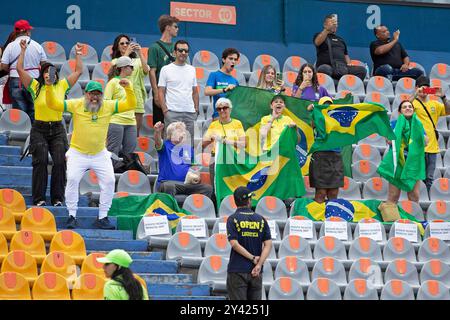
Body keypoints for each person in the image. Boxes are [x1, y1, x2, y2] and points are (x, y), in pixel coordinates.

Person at [45, 80, 137, 229]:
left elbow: (130, 104)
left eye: (98, 94)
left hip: (99, 153)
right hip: (78, 152)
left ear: (101, 95)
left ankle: (103, 217)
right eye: (91, 94)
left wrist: (129, 89)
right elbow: (53, 104)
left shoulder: (108, 105)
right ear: (85, 94)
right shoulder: (77, 104)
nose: (94, 97)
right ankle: (71, 215)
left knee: (109, 181)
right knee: (73, 179)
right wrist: (48, 87)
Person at [17, 39, 83, 206]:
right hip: (39, 129)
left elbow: (79, 71)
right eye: (45, 72)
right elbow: (19, 69)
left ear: (56, 74)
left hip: (58, 129)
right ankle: (39, 198)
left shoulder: (62, 86)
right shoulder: (35, 86)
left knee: (60, 161)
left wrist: (78, 54)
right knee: (41, 161)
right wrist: (23, 51)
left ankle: (57, 198)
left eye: (51, 72)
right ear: (43, 74)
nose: (48, 74)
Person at [226, 186, 272, 300]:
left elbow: (234, 244)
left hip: (237, 270)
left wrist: (252, 258)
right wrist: (259, 264)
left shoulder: (232, 219)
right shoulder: (261, 219)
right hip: (256, 272)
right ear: (248, 201)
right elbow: (268, 245)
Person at [378, 100, 426, 205]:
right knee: (393, 195)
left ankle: (413, 219)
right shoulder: (394, 123)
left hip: (412, 163)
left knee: (414, 196)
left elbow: (425, 142)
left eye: (410, 106)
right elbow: (389, 140)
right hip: (397, 162)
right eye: (404, 107)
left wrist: (416, 135)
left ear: (413, 110)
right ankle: (391, 219)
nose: (408, 108)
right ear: (400, 112)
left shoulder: (418, 124)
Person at [0, 20, 47, 121]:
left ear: (16, 32)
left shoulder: (10, 46)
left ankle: (21, 132)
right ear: (28, 32)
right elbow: (44, 65)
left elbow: (3, 66)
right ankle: (33, 134)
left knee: (19, 112)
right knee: (34, 111)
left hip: (15, 79)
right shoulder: (37, 46)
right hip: (33, 80)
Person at [154, 121, 213, 199]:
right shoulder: (165, 146)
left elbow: (194, 168)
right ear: (171, 134)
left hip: (186, 184)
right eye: (180, 131)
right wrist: (157, 132)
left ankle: (194, 210)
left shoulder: (189, 149)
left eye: (184, 131)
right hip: (168, 183)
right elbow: (158, 142)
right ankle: (170, 210)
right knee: (168, 186)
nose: (184, 133)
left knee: (208, 189)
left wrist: (195, 176)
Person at [411, 75, 450, 190]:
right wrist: (415, 94)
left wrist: (443, 97)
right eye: (422, 88)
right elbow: (402, 108)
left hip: (432, 147)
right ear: (416, 87)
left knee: (429, 179)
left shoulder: (435, 104)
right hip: (417, 146)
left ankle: (425, 203)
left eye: (427, 88)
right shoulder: (413, 103)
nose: (424, 91)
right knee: (417, 178)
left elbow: (448, 110)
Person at [158, 40, 198, 145]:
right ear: (174, 52)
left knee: (188, 144)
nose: (183, 53)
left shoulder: (192, 69)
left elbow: (195, 92)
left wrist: (196, 110)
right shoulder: (165, 69)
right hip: (172, 112)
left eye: (186, 51)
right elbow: (161, 92)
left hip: (190, 113)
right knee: (171, 143)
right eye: (180, 50)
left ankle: (187, 162)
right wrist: (165, 110)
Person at [307, 96, 344, 203]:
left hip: (335, 157)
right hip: (320, 157)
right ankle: (319, 216)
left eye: (329, 105)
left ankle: (332, 218)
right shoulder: (317, 119)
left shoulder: (338, 120)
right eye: (324, 105)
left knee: (333, 193)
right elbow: (312, 118)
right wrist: (314, 109)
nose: (327, 107)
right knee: (321, 193)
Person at [110, 34, 149, 136]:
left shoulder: (137, 61)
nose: (125, 45)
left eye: (127, 43)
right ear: (117, 46)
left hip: (137, 99)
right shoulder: (115, 61)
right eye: (122, 43)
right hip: (121, 99)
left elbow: (146, 70)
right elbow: (115, 72)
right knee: (119, 134)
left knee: (134, 135)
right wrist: (126, 53)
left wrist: (140, 52)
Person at [202, 98, 245, 188]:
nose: (222, 110)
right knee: (217, 186)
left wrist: (226, 141)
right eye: (219, 109)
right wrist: (211, 137)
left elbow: (244, 144)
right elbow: (203, 144)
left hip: (233, 158)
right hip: (216, 158)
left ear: (230, 109)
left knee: (233, 186)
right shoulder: (213, 124)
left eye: (225, 107)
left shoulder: (237, 123)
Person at [105, 56, 137, 167]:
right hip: (116, 121)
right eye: (131, 67)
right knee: (113, 150)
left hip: (131, 121)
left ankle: (126, 174)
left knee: (130, 153)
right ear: (124, 67)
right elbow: (106, 102)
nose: (133, 69)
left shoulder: (129, 82)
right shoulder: (113, 82)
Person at [313, 14, 366, 81]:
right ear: (325, 25)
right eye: (331, 23)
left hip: (342, 67)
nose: (333, 25)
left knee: (362, 70)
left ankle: (347, 88)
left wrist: (349, 63)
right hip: (329, 66)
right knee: (324, 68)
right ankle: (330, 86)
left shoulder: (340, 39)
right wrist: (326, 30)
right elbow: (317, 42)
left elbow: (346, 55)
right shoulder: (319, 35)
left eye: (335, 24)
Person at [148, 14, 179, 126]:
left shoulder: (178, 47)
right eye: (175, 26)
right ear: (167, 27)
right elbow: (152, 72)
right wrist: (156, 93)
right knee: (160, 125)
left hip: (175, 91)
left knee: (175, 127)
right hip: (162, 91)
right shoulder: (155, 47)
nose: (177, 29)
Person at [204, 48, 240, 119]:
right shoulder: (214, 75)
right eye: (230, 58)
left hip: (232, 118)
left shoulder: (235, 81)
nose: (233, 61)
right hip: (218, 116)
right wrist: (224, 90)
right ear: (223, 59)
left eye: (235, 60)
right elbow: (207, 91)